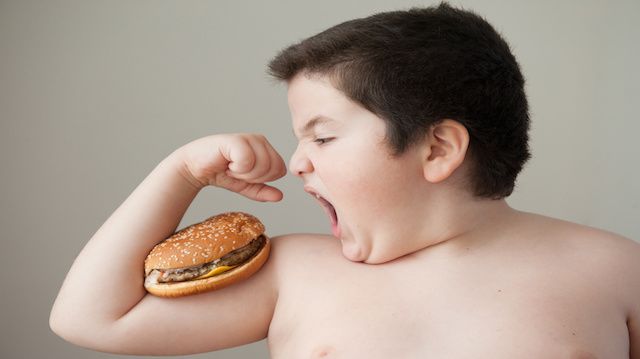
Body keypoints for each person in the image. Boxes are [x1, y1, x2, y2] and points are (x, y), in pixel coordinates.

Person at [50, 2, 639, 358]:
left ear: (437, 148)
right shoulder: (295, 271)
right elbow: (89, 318)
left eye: (322, 137)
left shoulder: (614, 270)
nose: (297, 160)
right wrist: (179, 173)